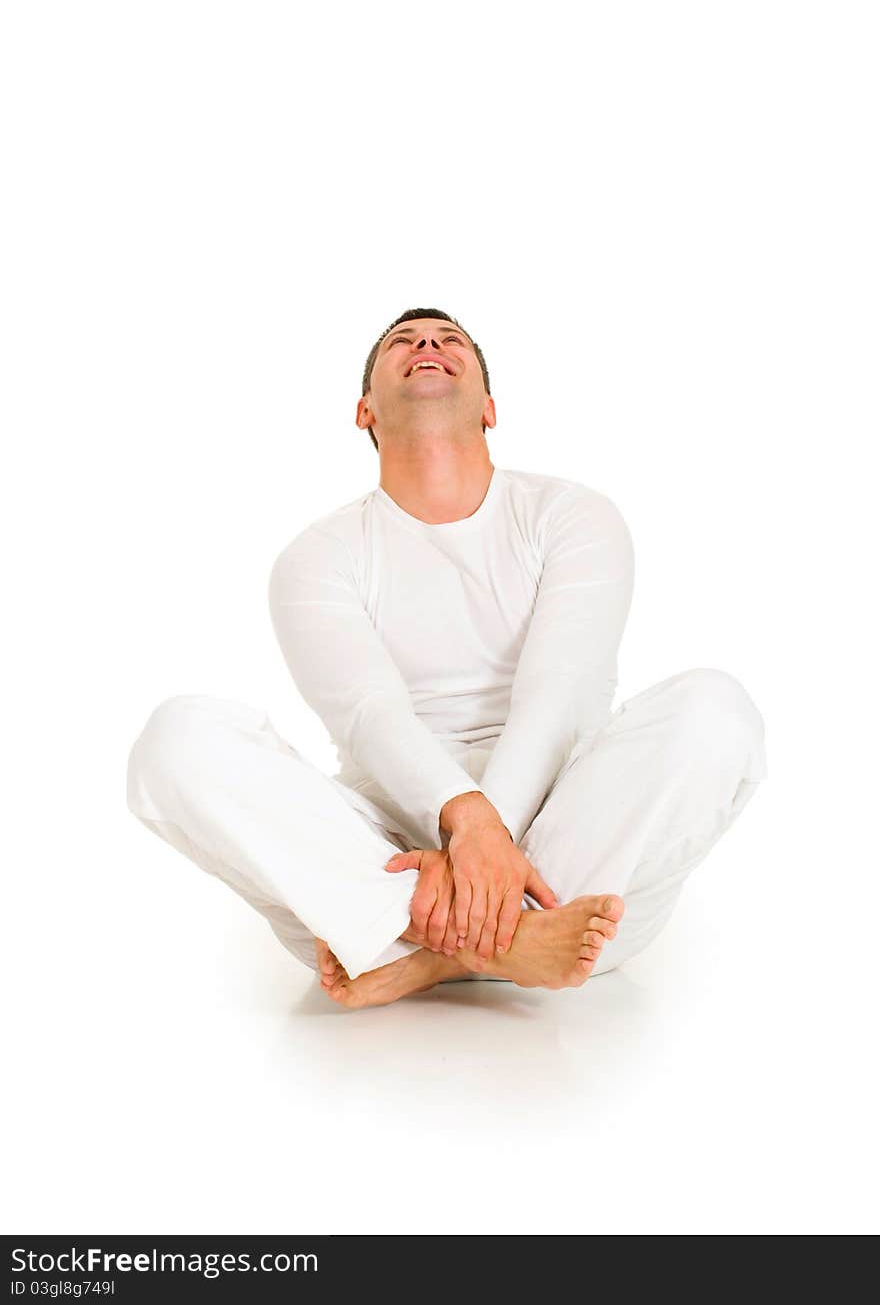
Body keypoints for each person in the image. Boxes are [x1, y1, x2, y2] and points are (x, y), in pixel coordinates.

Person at [126, 307, 767, 1010]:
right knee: (178, 739)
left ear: (490, 408)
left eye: (448, 339)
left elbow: (556, 699)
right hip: (394, 849)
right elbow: (373, 716)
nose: (426, 343)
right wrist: (462, 826)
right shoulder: (317, 558)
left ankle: (426, 952)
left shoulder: (572, 514)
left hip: (564, 849)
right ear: (365, 409)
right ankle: (500, 943)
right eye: (403, 342)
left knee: (717, 710)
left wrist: (482, 848)